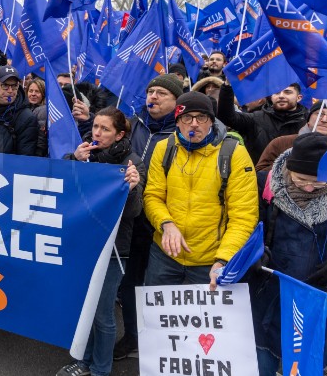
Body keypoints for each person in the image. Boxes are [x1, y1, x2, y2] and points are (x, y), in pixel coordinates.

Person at [57, 107, 146, 376]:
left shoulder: (133, 163)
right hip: (83, 243)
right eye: (95, 126)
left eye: (105, 129)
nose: (97, 133)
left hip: (114, 249)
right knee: (83, 307)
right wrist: (73, 159)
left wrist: (131, 188)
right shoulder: (85, 154)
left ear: (120, 134)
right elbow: (62, 189)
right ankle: (83, 361)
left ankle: (100, 369)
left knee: (102, 313)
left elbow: (134, 211)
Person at [251, 133, 327, 376]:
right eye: (301, 179)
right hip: (273, 291)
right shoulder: (265, 185)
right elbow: (246, 225)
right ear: (288, 169)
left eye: (319, 182)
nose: (308, 187)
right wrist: (254, 253)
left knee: (313, 364)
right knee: (263, 361)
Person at [143, 91, 258, 289]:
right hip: (165, 255)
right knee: (159, 319)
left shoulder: (234, 154)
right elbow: (153, 196)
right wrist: (166, 224)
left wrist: (223, 259)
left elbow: (244, 216)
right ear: (177, 122)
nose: (194, 123)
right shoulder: (164, 148)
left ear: (211, 121)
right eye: (187, 117)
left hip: (211, 260)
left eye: (201, 117)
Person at [113, 73, 184, 360]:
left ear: (177, 101)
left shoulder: (182, 132)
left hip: (164, 218)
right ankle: (132, 336)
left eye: (161, 93)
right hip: (131, 216)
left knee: (156, 284)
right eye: (150, 92)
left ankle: (162, 343)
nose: (152, 97)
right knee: (129, 282)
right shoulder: (133, 123)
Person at [217, 82, 308, 163]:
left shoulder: (309, 122)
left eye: (287, 92)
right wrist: (227, 86)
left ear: (299, 97)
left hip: (297, 179)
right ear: (271, 97)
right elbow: (226, 117)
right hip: (259, 178)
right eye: (276, 92)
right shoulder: (256, 118)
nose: (281, 95)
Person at [255, 99, 327, 172]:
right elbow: (259, 173)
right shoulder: (282, 142)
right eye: (319, 114)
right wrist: (292, 162)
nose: (324, 119)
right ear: (308, 119)